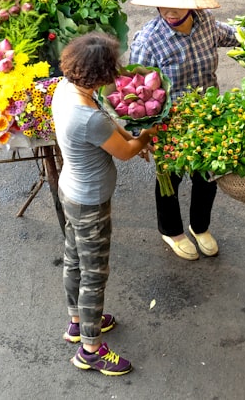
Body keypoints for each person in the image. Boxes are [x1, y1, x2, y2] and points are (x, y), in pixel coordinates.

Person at [51, 32, 157, 376]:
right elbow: (125, 153)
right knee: (95, 275)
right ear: (100, 75)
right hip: (90, 202)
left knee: (74, 260)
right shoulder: (87, 116)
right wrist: (146, 136)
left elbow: (109, 125)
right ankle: (90, 350)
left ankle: (77, 323)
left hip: (70, 189)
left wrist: (131, 134)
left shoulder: (66, 90)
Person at [128, 0, 238, 260]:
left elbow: (232, 35)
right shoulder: (148, 40)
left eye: (178, 6)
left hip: (207, 114)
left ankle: (200, 226)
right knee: (170, 178)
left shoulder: (207, 23)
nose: (170, 12)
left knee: (208, 174)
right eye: (164, 6)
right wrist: (140, 132)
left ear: (192, 5)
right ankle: (172, 231)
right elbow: (134, 89)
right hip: (168, 121)